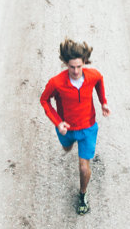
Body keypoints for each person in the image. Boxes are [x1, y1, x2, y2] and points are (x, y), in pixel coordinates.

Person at [40, 38, 110, 214]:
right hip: (67, 128)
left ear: (84, 63)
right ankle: (69, 143)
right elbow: (44, 100)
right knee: (66, 148)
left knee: (83, 166)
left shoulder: (93, 75)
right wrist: (58, 122)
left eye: (79, 66)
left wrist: (103, 102)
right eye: (72, 67)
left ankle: (82, 194)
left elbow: (100, 81)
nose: (76, 71)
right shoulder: (56, 82)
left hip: (88, 128)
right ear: (66, 64)